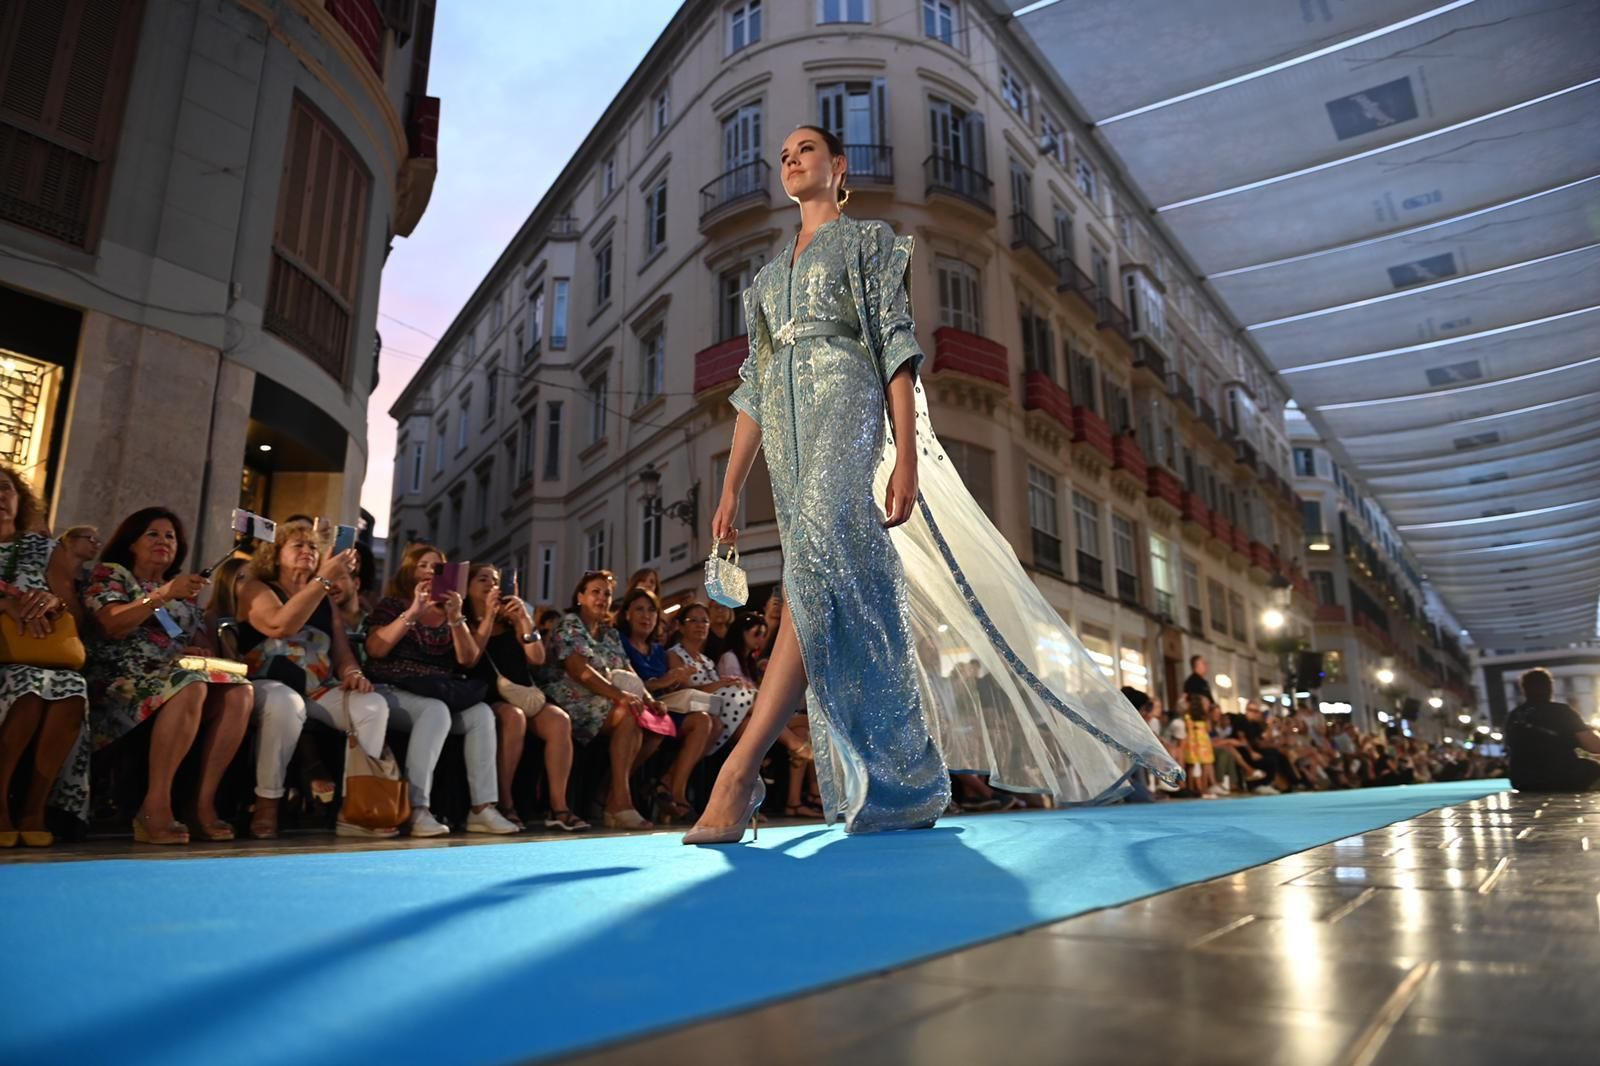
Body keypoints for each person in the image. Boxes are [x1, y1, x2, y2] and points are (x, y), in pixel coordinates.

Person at [688, 126, 1178, 844]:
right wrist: (731, 489)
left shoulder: (869, 243)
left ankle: (738, 774)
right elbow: (753, 389)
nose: (792, 161)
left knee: (814, 574)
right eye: (785, 155)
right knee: (813, 586)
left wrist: (906, 456)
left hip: (846, 403)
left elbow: (893, 343)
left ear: (839, 166)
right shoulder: (763, 282)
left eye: (807, 150)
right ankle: (898, 778)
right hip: (787, 437)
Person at [83, 508, 253, 844]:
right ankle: (155, 805)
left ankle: (202, 803)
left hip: (172, 675)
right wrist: (161, 595)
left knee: (240, 691)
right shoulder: (113, 574)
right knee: (189, 687)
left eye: (170, 536)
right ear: (131, 543)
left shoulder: (182, 593)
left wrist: (200, 651)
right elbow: (110, 624)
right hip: (120, 679)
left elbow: (193, 641)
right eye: (153, 534)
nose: (163, 541)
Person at [233, 520, 390, 838]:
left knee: (372, 706)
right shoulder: (255, 586)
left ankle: (355, 807)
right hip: (265, 682)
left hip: (316, 687)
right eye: (298, 546)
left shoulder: (325, 598)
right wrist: (322, 579)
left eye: (312, 547)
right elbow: (281, 625)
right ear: (276, 555)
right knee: (286, 703)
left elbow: (342, 652)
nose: (307, 551)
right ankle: (267, 802)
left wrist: (352, 673)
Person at [362, 543, 517, 837]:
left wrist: (456, 616)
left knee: (482, 714)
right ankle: (417, 808)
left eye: (438, 567)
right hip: (393, 688)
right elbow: (376, 649)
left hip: (439, 690)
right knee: (436, 711)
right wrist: (413, 611)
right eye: (424, 565)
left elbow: (468, 659)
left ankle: (482, 809)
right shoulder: (393, 606)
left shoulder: (449, 613)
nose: (432, 571)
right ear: (410, 571)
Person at [0, 469, 88, 846]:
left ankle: (36, 806)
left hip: (47, 655)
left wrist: (55, 602)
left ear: (19, 499)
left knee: (70, 686)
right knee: (30, 688)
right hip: (5, 661)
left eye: (5, 488)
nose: (0, 496)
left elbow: (77, 612)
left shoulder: (43, 548)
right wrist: (5, 604)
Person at [463, 563, 587, 831]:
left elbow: (538, 658)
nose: (490, 585)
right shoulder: (464, 621)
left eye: (495, 580)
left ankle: (559, 807)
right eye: (482, 580)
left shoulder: (512, 622)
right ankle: (506, 803)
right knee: (513, 718)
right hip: (486, 694)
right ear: (467, 588)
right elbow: (469, 660)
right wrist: (487, 617)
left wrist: (523, 620)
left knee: (559, 720)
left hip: (523, 693)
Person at [537, 570, 663, 829]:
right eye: (595, 592)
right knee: (629, 715)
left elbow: (628, 670)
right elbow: (579, 671)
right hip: (569, 698)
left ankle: (610, 794)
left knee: (653, 726)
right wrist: (622, 696)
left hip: (604, 698)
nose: (602, 598)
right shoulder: (569, 624)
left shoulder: (610, 633)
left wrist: (649, 699)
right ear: (581, 596)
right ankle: (621, 804)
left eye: (606, 593)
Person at [618, 587, 715, 823]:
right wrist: (666, 680)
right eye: (639, 609)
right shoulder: (619, 642)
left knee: (705, 720)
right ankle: (614, 789)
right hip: (631, 705)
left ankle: (675, 790)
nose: (646, 616)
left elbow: (665, 688)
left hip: (662, 708)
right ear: (627, 614)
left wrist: (675, 681)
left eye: (651, 610)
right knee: (657, 728)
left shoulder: (658, 651)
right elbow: (625, 681)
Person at [671, 602, 755, 757]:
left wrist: (728, 683)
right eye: (693, 621)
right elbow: (685, 693)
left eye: (704, 621)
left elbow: (719, 690)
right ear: (681, 627)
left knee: (751, 720)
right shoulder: (674, 654)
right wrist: (721, 684)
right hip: (691, 710)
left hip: (717, 711)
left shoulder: (707, 661)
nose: (700, 625)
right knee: (750, 702)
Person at [1504, 668, 1600, 792]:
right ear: (1550, 688)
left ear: (1524, 690)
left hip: (1522, 780)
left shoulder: (1514, 715)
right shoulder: (1561, 711)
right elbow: (1594, 746)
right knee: (1592, 768)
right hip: (1561, 777)